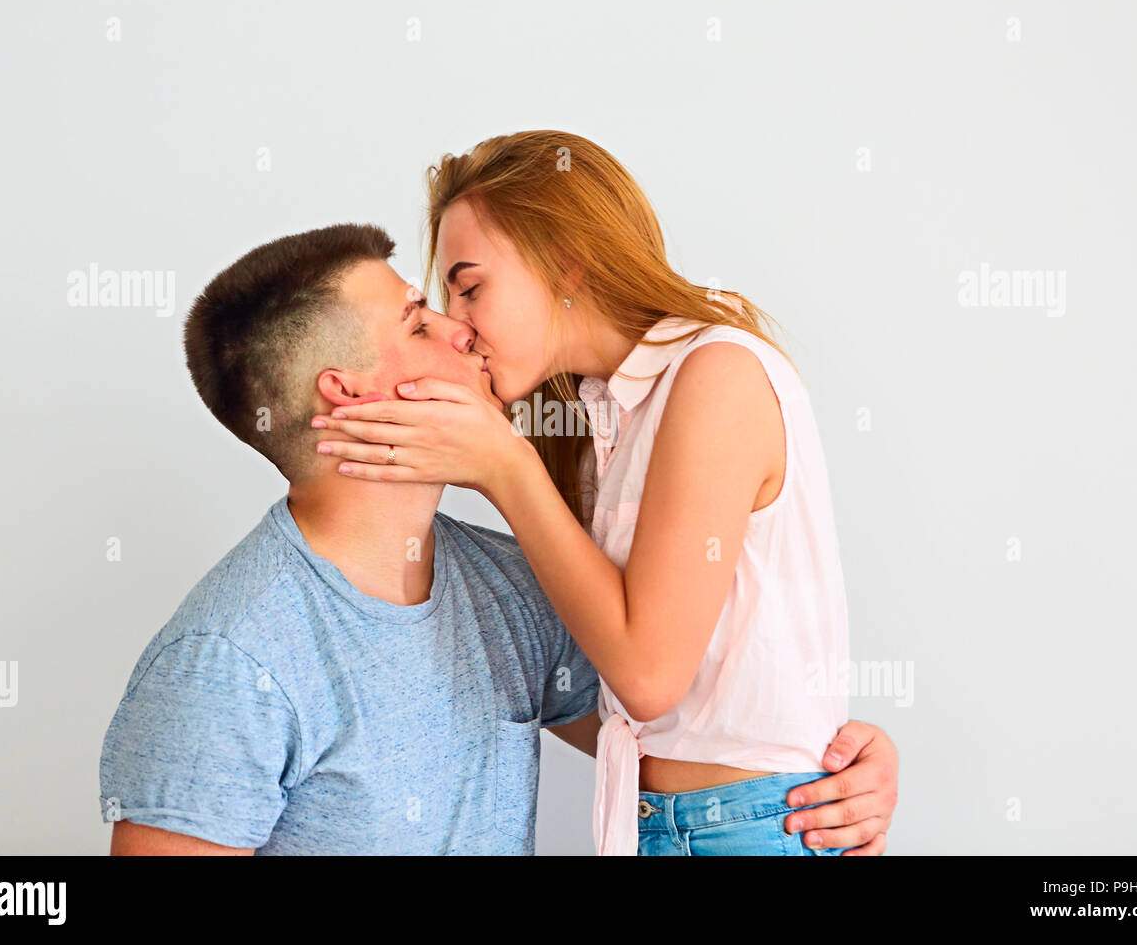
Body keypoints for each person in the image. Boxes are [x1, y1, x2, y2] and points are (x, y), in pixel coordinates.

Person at [100, 222, 898, 854]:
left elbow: (671, 712)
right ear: (348, 397)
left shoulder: (509, 588)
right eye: (419, 324)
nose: (460, 332)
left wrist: (844, 766)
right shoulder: (228, 663)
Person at [314, 131, 882, 855]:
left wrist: (505, 469)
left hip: (753, 828)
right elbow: (600, 690)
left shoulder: (716, 375)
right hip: (660, 826)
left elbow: (648, 676)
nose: (459, 322)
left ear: (567, 264)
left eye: (471, 286)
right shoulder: (589, 421)